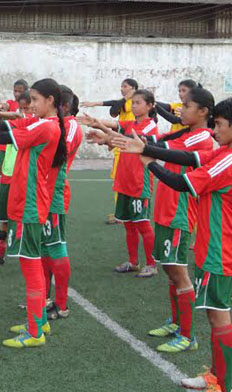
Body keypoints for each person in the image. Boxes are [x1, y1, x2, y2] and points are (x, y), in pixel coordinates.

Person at [114, 95, 232, 392]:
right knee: (211, 312)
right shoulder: (227, 151)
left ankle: (226, 389)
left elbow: (184, 183)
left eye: (219, 125)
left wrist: (148, 162)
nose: (215, 130)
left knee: (219, 316)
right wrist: (146, 149)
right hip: (215, 242)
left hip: (222, 246)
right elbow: (190, 159)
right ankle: (215, 376)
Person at [137, 87, 215, 352]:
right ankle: (177, 322)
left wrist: (134, 146)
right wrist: (111, 136)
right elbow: (153, 142)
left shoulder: (201, 136)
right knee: (171, 270)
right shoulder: (186, 132)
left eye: (187, 106)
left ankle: (187, 335)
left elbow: (157, 148)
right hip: (165, 210)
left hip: (178, 213)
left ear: (203, 112)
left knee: (179, 272)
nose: (181, 110)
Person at [0, 78, 67, 349]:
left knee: (30, 264)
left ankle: (35, 330)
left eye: (35, 100)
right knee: (32, 263)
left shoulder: (47, 127)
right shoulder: (39, 123)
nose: (31, 105)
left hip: (30, 205)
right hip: (26, 203)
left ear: (50, 101)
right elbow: (6, 126)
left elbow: (3, 135)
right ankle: (38, 321)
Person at [81, 89, 159, 278]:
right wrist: (97, 124)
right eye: (133, 103)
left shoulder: (150, 127)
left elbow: (128, 139)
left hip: (139, 182)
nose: (133, 106)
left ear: (149, 106)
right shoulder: (130, 123)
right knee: (128, 224)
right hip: (124, 181)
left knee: (142, 224)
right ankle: (133, 262)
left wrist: (105, 135)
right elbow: (116, 125)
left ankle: (151, 264)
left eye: (138, 102)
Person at [42, 84, 83, 320]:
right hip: (42, 192)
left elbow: (57, 154)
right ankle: (45, 298)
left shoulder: (69, 126)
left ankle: (61, 303)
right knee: (44, 249)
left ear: (63, 106)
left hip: (53, 193)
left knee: (55, 246)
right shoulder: (57, 125)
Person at [0, 90, 35, 268]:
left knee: (26, 219)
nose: (24, 112)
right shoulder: (15, 122)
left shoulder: (34, 126)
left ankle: (30, 254)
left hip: (26, 178)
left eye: (28, 108)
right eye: (21, 108)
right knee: (4, 218)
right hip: (8, 175)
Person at [82, 78, 139, 225]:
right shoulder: (125, 104)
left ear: (133, 88)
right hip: (122, 141)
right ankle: (126, 212)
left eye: (125, 86)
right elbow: (113, 110)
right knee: (123, 179)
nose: (122, 88)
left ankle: (121, 214)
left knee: (120, 180)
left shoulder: (131, 105)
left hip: (126, 144)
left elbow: (115, 107)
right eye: (121, 86)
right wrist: (95, 104)